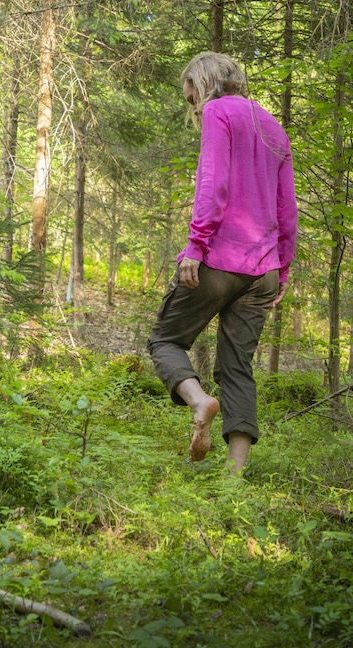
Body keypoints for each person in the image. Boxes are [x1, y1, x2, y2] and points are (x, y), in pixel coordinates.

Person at [147, 52, 298, 476]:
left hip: (219, 260)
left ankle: (200, 402)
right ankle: (234, 477)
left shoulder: (218, 112)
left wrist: (196, 246)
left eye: (190, 94)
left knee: (165, 341)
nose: (192, 105)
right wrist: (282, 266)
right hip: (263, 270)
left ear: (204, 83)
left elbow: (213, 182)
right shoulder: (272, 124)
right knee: (236, 366)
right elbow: (287, 208)